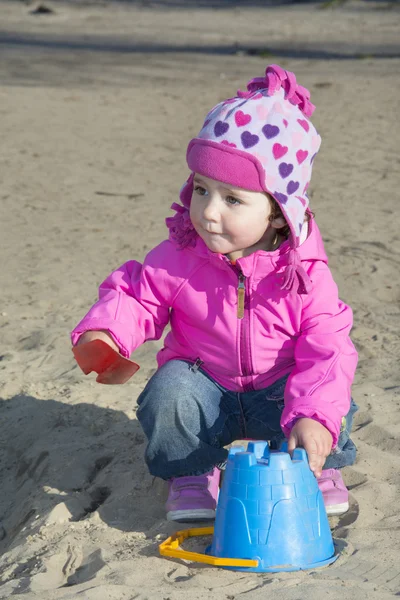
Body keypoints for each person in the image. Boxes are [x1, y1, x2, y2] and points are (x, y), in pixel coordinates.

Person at [71, 64, 358, 522]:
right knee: (170, 390)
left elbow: (328, 348)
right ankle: (191, 472)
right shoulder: (181, 256)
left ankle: (313, 464)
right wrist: (106, 333)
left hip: (278, 397)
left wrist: (315, 416)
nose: (207, 212)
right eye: (201, 190)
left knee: (328, 396)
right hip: (208, 390)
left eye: (233, 199)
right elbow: (137, 294)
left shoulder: (304, 275)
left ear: (280, 213)